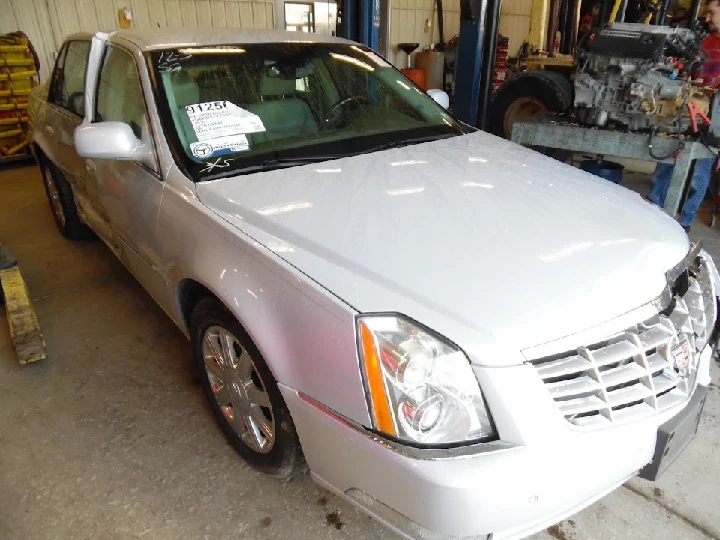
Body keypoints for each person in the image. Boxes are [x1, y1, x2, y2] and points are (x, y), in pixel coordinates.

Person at [647, 0, 720, 232]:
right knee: (668, 158)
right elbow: (691, 74)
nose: (706, 19)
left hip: (715, 118)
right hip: (689, 109)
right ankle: (654, 210)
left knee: (699, 170)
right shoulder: (706, 43)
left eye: (711, 13)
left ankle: (683, 223)